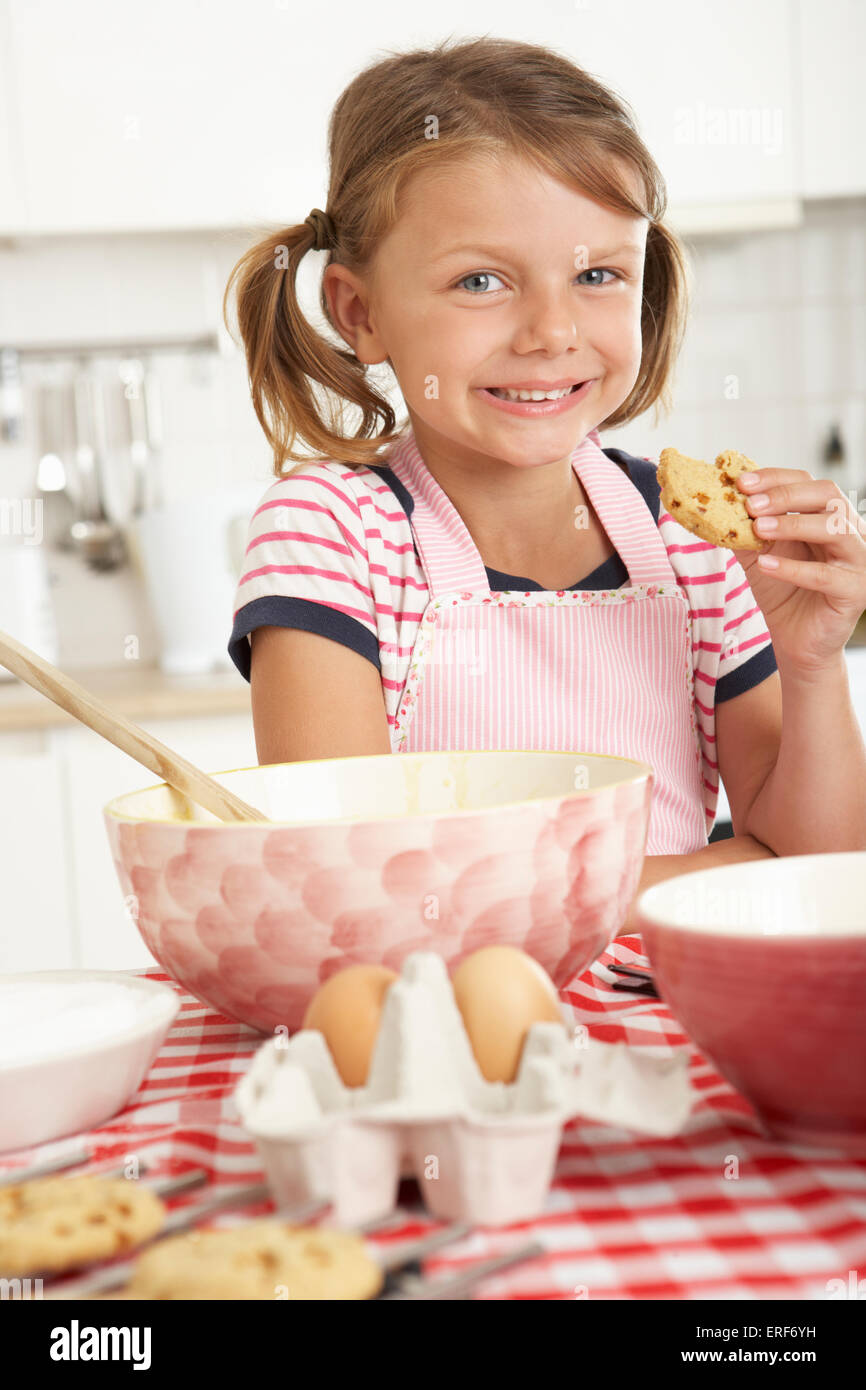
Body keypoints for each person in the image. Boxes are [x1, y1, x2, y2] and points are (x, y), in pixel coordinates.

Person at [223, 36, 866, 921]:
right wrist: (699, 878)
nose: (552, 332)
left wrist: (813, 662)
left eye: (597, 274)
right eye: (482, 280)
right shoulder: (331, 534)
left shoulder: (694, 546)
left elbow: (817, 873)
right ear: (360, 312)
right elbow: (356, 887)